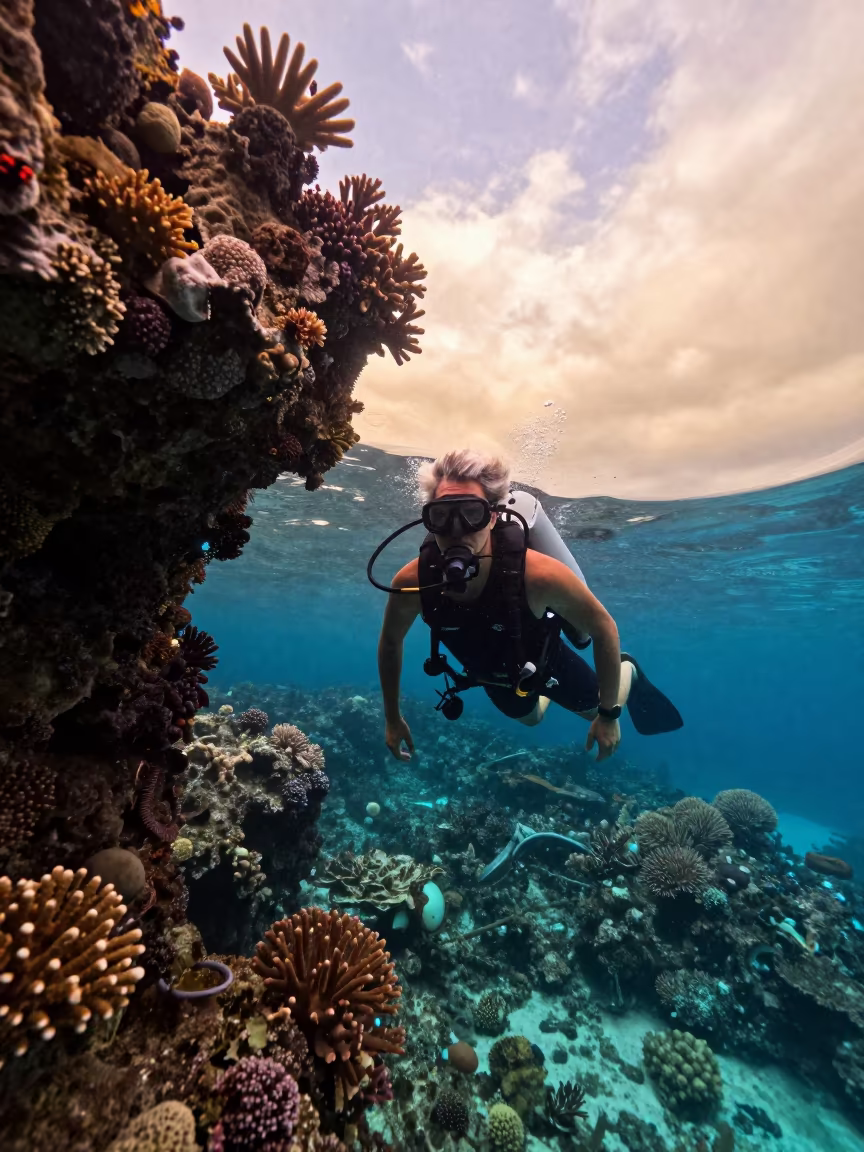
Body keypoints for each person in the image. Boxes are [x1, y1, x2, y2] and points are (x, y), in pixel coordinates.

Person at [376, 449, 681, 763]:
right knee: (530, 717)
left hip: (545, 658)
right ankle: (538, 691)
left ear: (493, 515)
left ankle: (627, 669)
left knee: (592, 713)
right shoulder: (412, 582)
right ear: (429, 520)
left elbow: (603, 627)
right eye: (441, 516)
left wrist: (609, 716)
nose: (457, 530)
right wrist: (391, 717)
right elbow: (390, 642)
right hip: (490, 673)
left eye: (472, 514)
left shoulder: (538, 576)